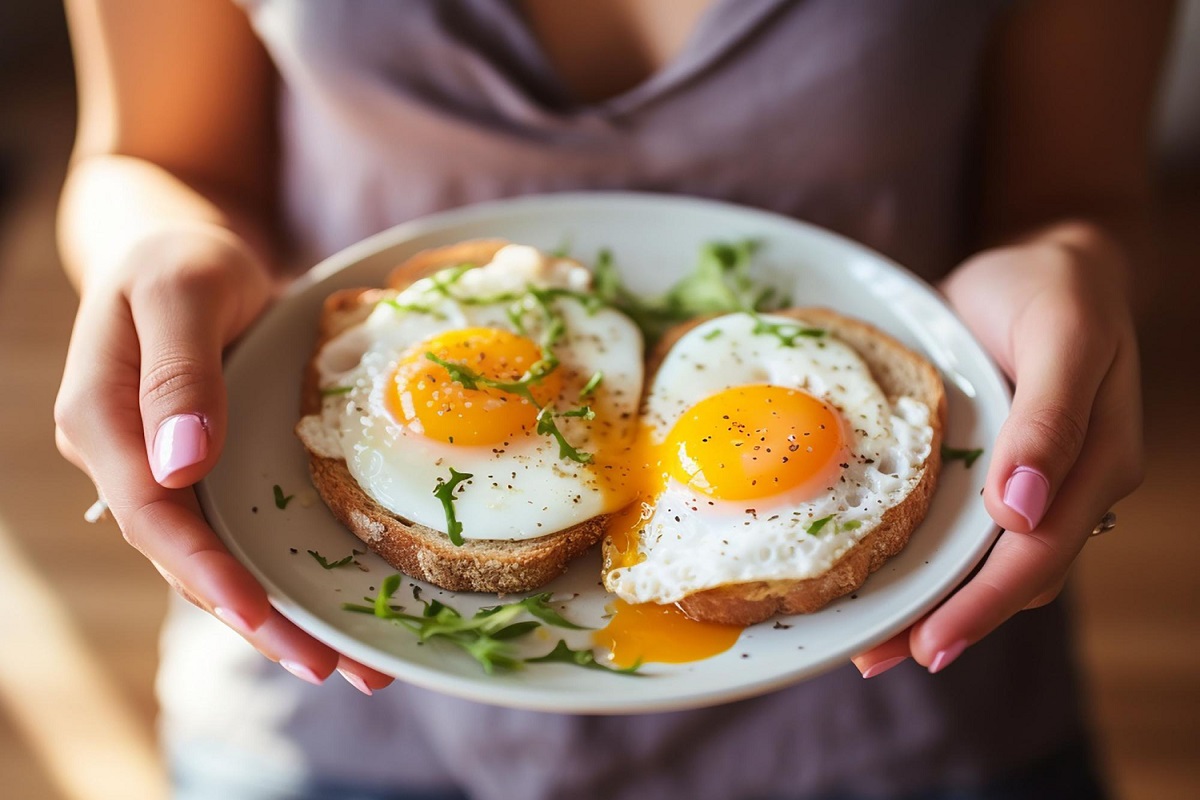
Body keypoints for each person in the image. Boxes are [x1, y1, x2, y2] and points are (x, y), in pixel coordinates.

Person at [55, 1, 1167, 798]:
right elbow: (152, 156)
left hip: (913, 693)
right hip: (326, 690)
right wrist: (158, 249)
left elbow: (1086, 191)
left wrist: (1073, 267)